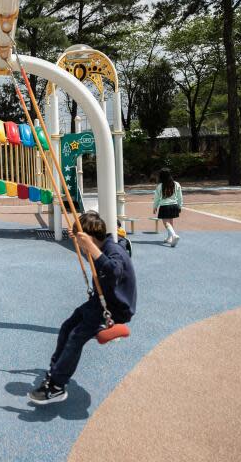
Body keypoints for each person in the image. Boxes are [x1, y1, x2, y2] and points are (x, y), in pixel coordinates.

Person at [28, 211, 136, 405]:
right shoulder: (101, 246)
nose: (80, 247)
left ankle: (57, 387)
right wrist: (82, 241)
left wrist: (90, 248)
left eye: (82, 243)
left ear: (91, 239)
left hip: (114, 308)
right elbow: (99, 263)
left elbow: (113, 271)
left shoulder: (114, 251)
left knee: (75, 337)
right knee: (67, 327)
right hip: (100, 301)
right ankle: (54, 372)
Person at [153, 167, 183, 247]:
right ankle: (169, 238)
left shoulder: (160, 186)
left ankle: (174, 235)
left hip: (165, 206)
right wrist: (180, 206)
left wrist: (155, 206)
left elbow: (156, 198)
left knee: (166, 223)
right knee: (170, 221)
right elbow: (180, 196)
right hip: (174, 205)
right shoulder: (176, 184)